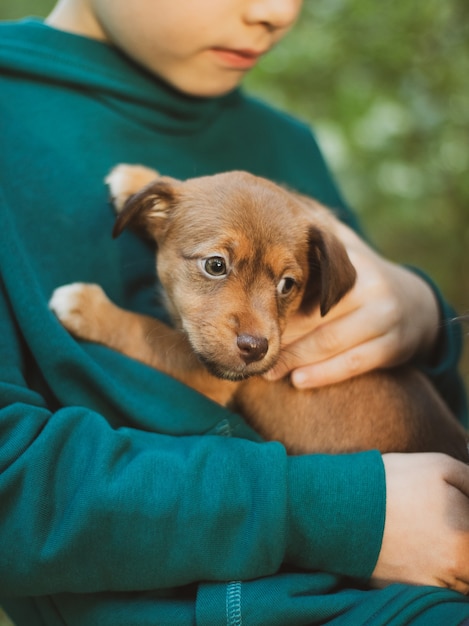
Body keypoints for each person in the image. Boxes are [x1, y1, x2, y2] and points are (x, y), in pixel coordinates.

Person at [0, 1, 469, 624]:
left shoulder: (290, 142)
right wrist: (337, 511)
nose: (277, 11)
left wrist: (423, 319)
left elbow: (432, 430)